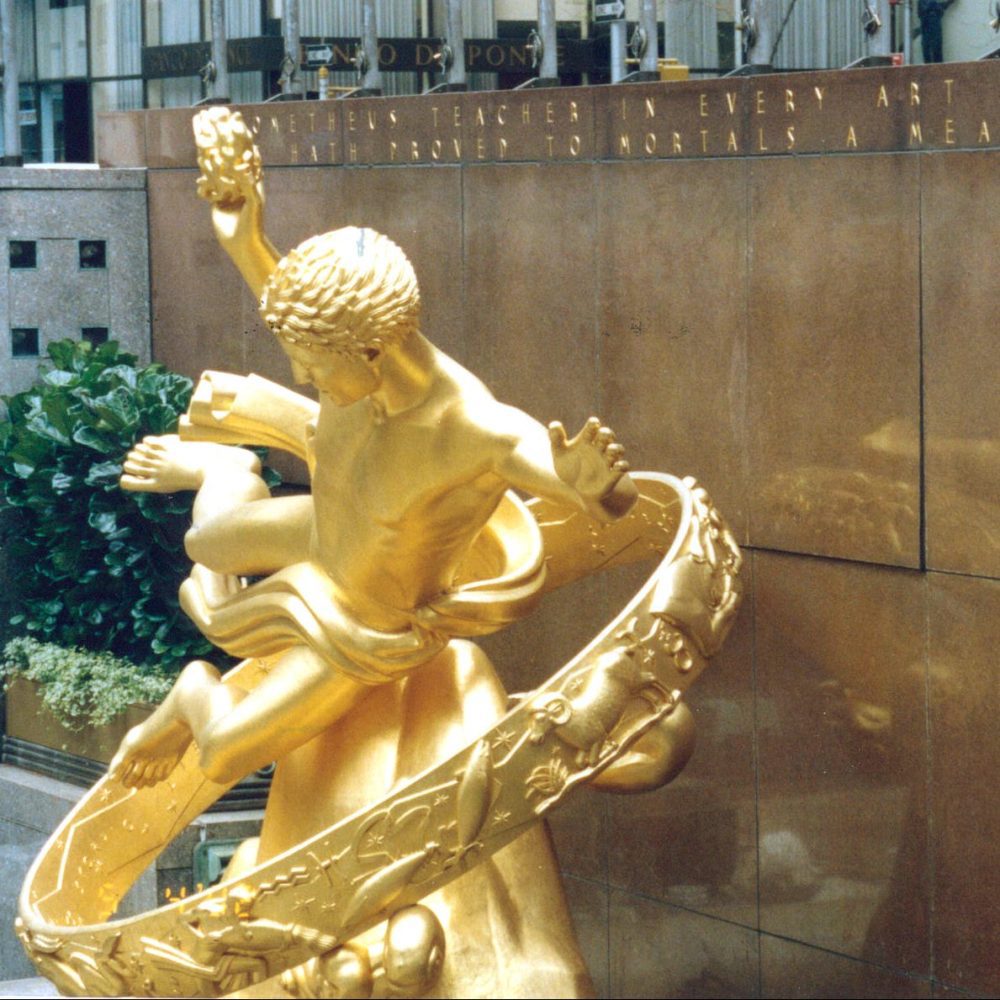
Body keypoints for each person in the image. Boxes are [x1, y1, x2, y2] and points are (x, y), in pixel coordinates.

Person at [108, 110, 638, 796]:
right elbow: (293, 302)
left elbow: (564, 476)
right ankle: (226, 468)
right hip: (319, 531)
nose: (303, 379)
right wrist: (246, 235)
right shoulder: (346, 353)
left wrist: (593, 487)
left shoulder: (470, 427)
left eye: (315, 368)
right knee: (206, 545)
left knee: (219, 750)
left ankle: (190, 694)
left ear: (371, 351)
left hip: (360, 628)